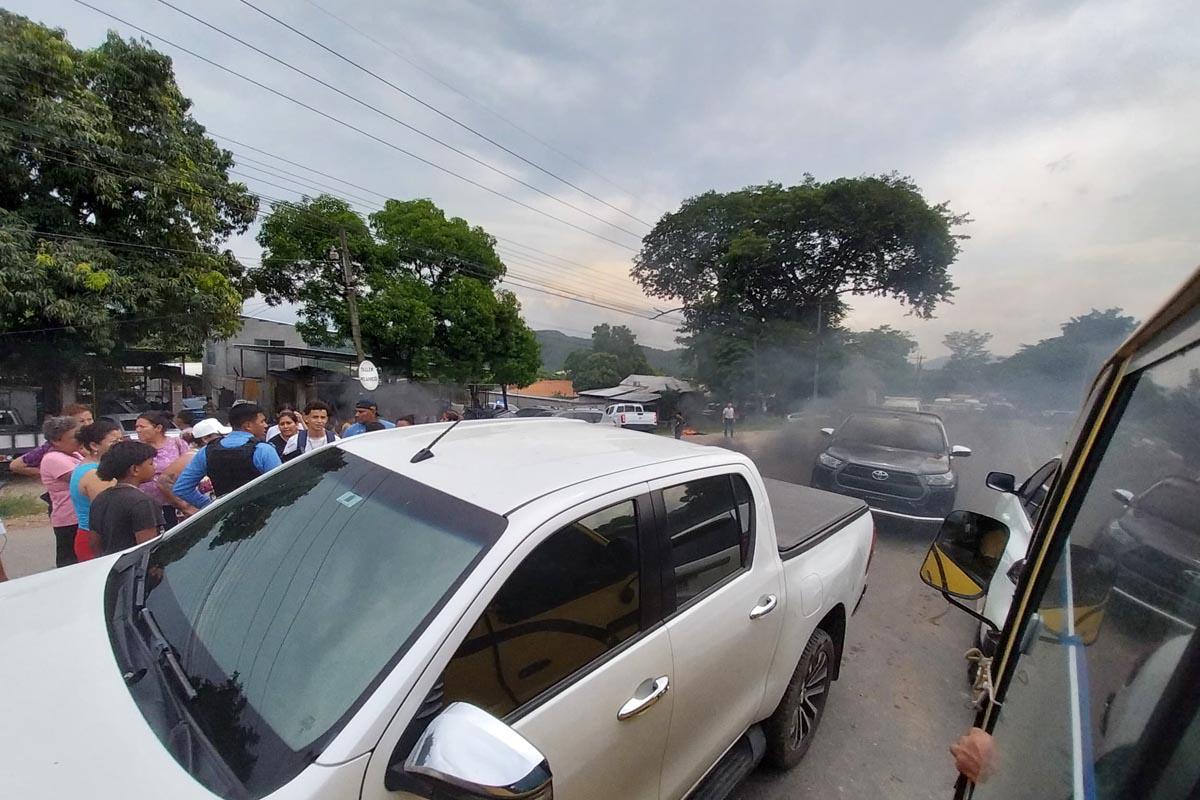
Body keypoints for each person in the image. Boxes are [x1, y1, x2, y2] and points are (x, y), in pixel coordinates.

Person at [173, 402, 281, 508]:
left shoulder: (206, 451)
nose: (266, 425)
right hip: (263, 518)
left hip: (224, 519)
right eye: (262, 421)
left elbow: (182, 488)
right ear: (248, 425)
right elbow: (281, 486)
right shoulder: (263, 450)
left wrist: (211, 507)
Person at [88, 441, 163, 557]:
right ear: (135, 469)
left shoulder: (101, 498)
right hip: (135, 569)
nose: (155, 467)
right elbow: (147, 548)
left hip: (111, 565)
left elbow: (94, 543)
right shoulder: (142, 502)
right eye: (151, 463)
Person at [69, 419, 124, 561]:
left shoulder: (99, 467)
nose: (120, 445)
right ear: (94, 445)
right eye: (114, 442)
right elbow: (110, 512)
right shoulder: (95, 474)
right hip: (97, 539)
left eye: (121, 439)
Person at [157, 418, 230, 518]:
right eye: (221, 435)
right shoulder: (194, 455)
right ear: (205, 438)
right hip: (200, 513)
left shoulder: (210, 454)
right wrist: (186, 507)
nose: (225, 438)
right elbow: (164, 481)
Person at [38, 415, 83, 567]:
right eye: (74, 437)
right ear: (57, 440)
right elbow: (81, 479)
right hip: (69, 518)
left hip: (78, 515)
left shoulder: (74, 454)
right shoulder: (53, 458)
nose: (79, 439)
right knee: (70, 561)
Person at [134, 410, 190, 531]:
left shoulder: (177, 444)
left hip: (175, 504)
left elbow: (188, 468)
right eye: (136, 427)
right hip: (146, 505)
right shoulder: (135, 448)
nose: (138, 430)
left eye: (142, 427)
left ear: (158, 428)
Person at [9, 403, 93, 481]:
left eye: (90, 419)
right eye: (81, 421)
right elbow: (15, 465)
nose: (87, 424)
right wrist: (50, 474)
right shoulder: (50, 446)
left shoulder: (96, 437)